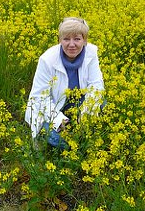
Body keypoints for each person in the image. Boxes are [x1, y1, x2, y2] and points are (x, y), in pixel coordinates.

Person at [25, 17, 104, 148]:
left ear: (84, 40)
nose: (71, 44)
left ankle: (80, 141)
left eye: (77, 39)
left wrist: (85, 114)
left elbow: (96, 86)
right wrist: (59, 121)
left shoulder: (91, 53)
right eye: (66, 39)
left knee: (103, 106)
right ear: (60, 40)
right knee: (55, 138)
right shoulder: (47, 59)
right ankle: (73, 148)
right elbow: (40, 97)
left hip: (78, 105)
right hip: (51, 109)